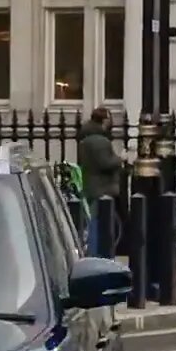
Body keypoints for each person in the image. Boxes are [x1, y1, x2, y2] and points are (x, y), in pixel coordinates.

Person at [76, 107, 126, 257]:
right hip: (102, 188)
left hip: (91, 185)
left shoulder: (86, 138)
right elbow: (105, 163)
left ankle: (96, 252)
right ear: (104, 120)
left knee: (94, 222)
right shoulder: (100, 141)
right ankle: (98, 254)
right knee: (98, 224)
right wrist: (121, 159)